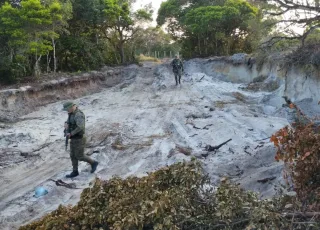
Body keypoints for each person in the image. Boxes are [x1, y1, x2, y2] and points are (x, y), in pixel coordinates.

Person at [63, 102, 99, 178]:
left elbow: (80, 127)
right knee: (72, 155)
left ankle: (93, 163)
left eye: (67, 109)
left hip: (79, 139)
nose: (67, 111)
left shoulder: (78, 115)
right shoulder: (71, 113)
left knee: (80, 156)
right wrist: (66, 126)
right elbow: (69, 122)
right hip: (73, 138)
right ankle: (75, 171)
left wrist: (71, 133)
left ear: (72, 107)